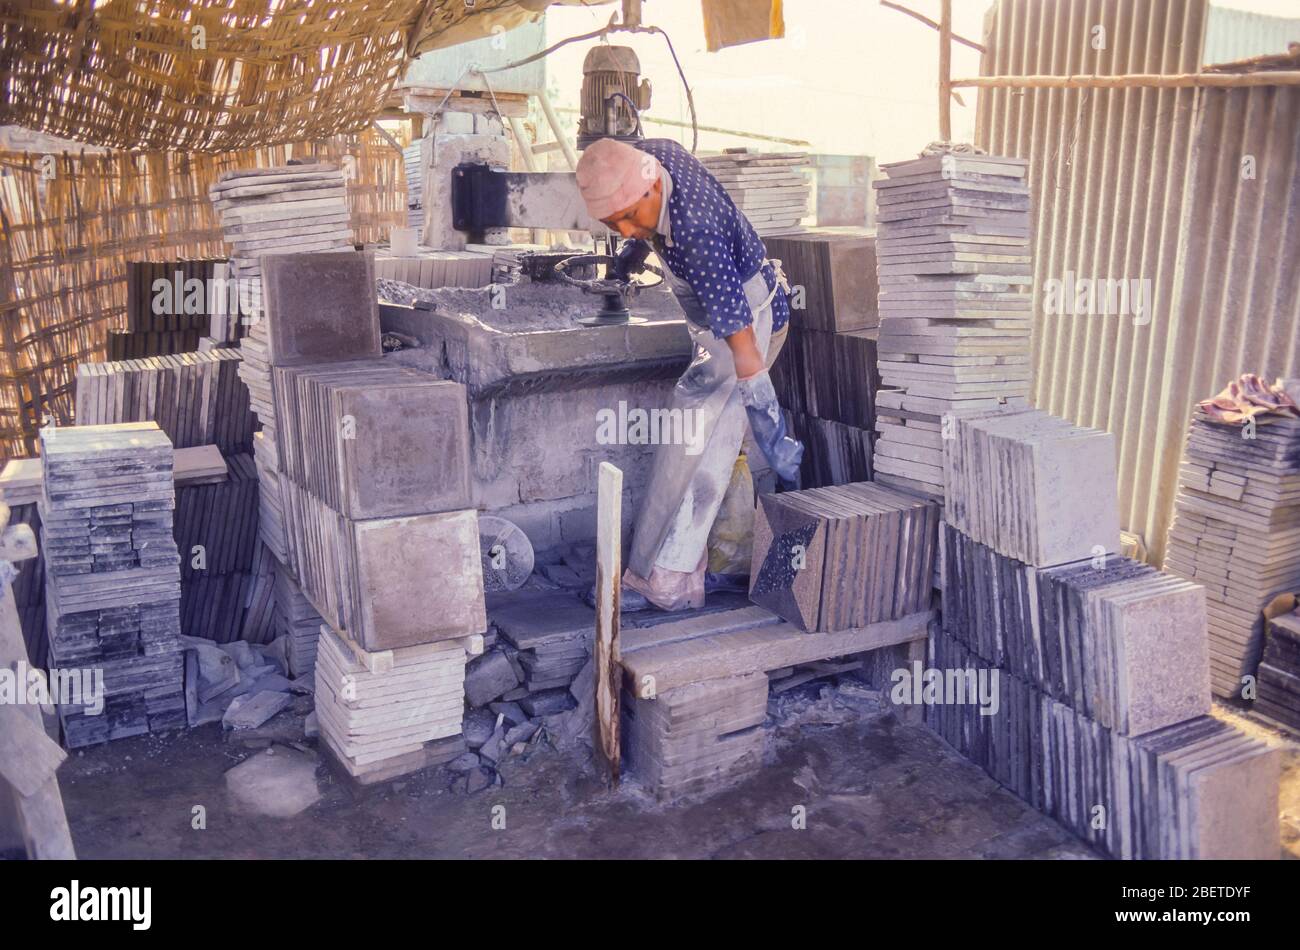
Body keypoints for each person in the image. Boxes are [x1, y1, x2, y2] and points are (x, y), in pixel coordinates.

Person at [576, 136, 803, 612]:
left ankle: (668, 582)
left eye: (632, 218)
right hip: (722, 323)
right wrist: (628, 256)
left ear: (653, 184)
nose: (627, 229)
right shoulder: (649, 154)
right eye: (613, 224)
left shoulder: (695, 231)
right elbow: (633, 219)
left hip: (747, 323)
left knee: (699, 449)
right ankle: (726, 564)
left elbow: (741, 345)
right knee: (719, 444)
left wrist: (764, 412)